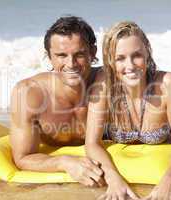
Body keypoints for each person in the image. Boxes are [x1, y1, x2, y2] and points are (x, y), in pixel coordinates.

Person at [85, 21, 171, 200]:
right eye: (120, 58)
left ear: (147, 53)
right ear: (110, 61)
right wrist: (112, 176)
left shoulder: (167, 83)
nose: (130, 65)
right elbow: (91, 143)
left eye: (137, 55)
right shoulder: (104, 85)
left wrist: (168, 181)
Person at [10, 16, 104, 187]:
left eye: (79, 54)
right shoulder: (29, 94)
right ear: (49, 57)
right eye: (61, 55)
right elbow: (23, 157)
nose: (71, 64)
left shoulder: (108, 84)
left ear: (93, 53)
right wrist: (65, 162)